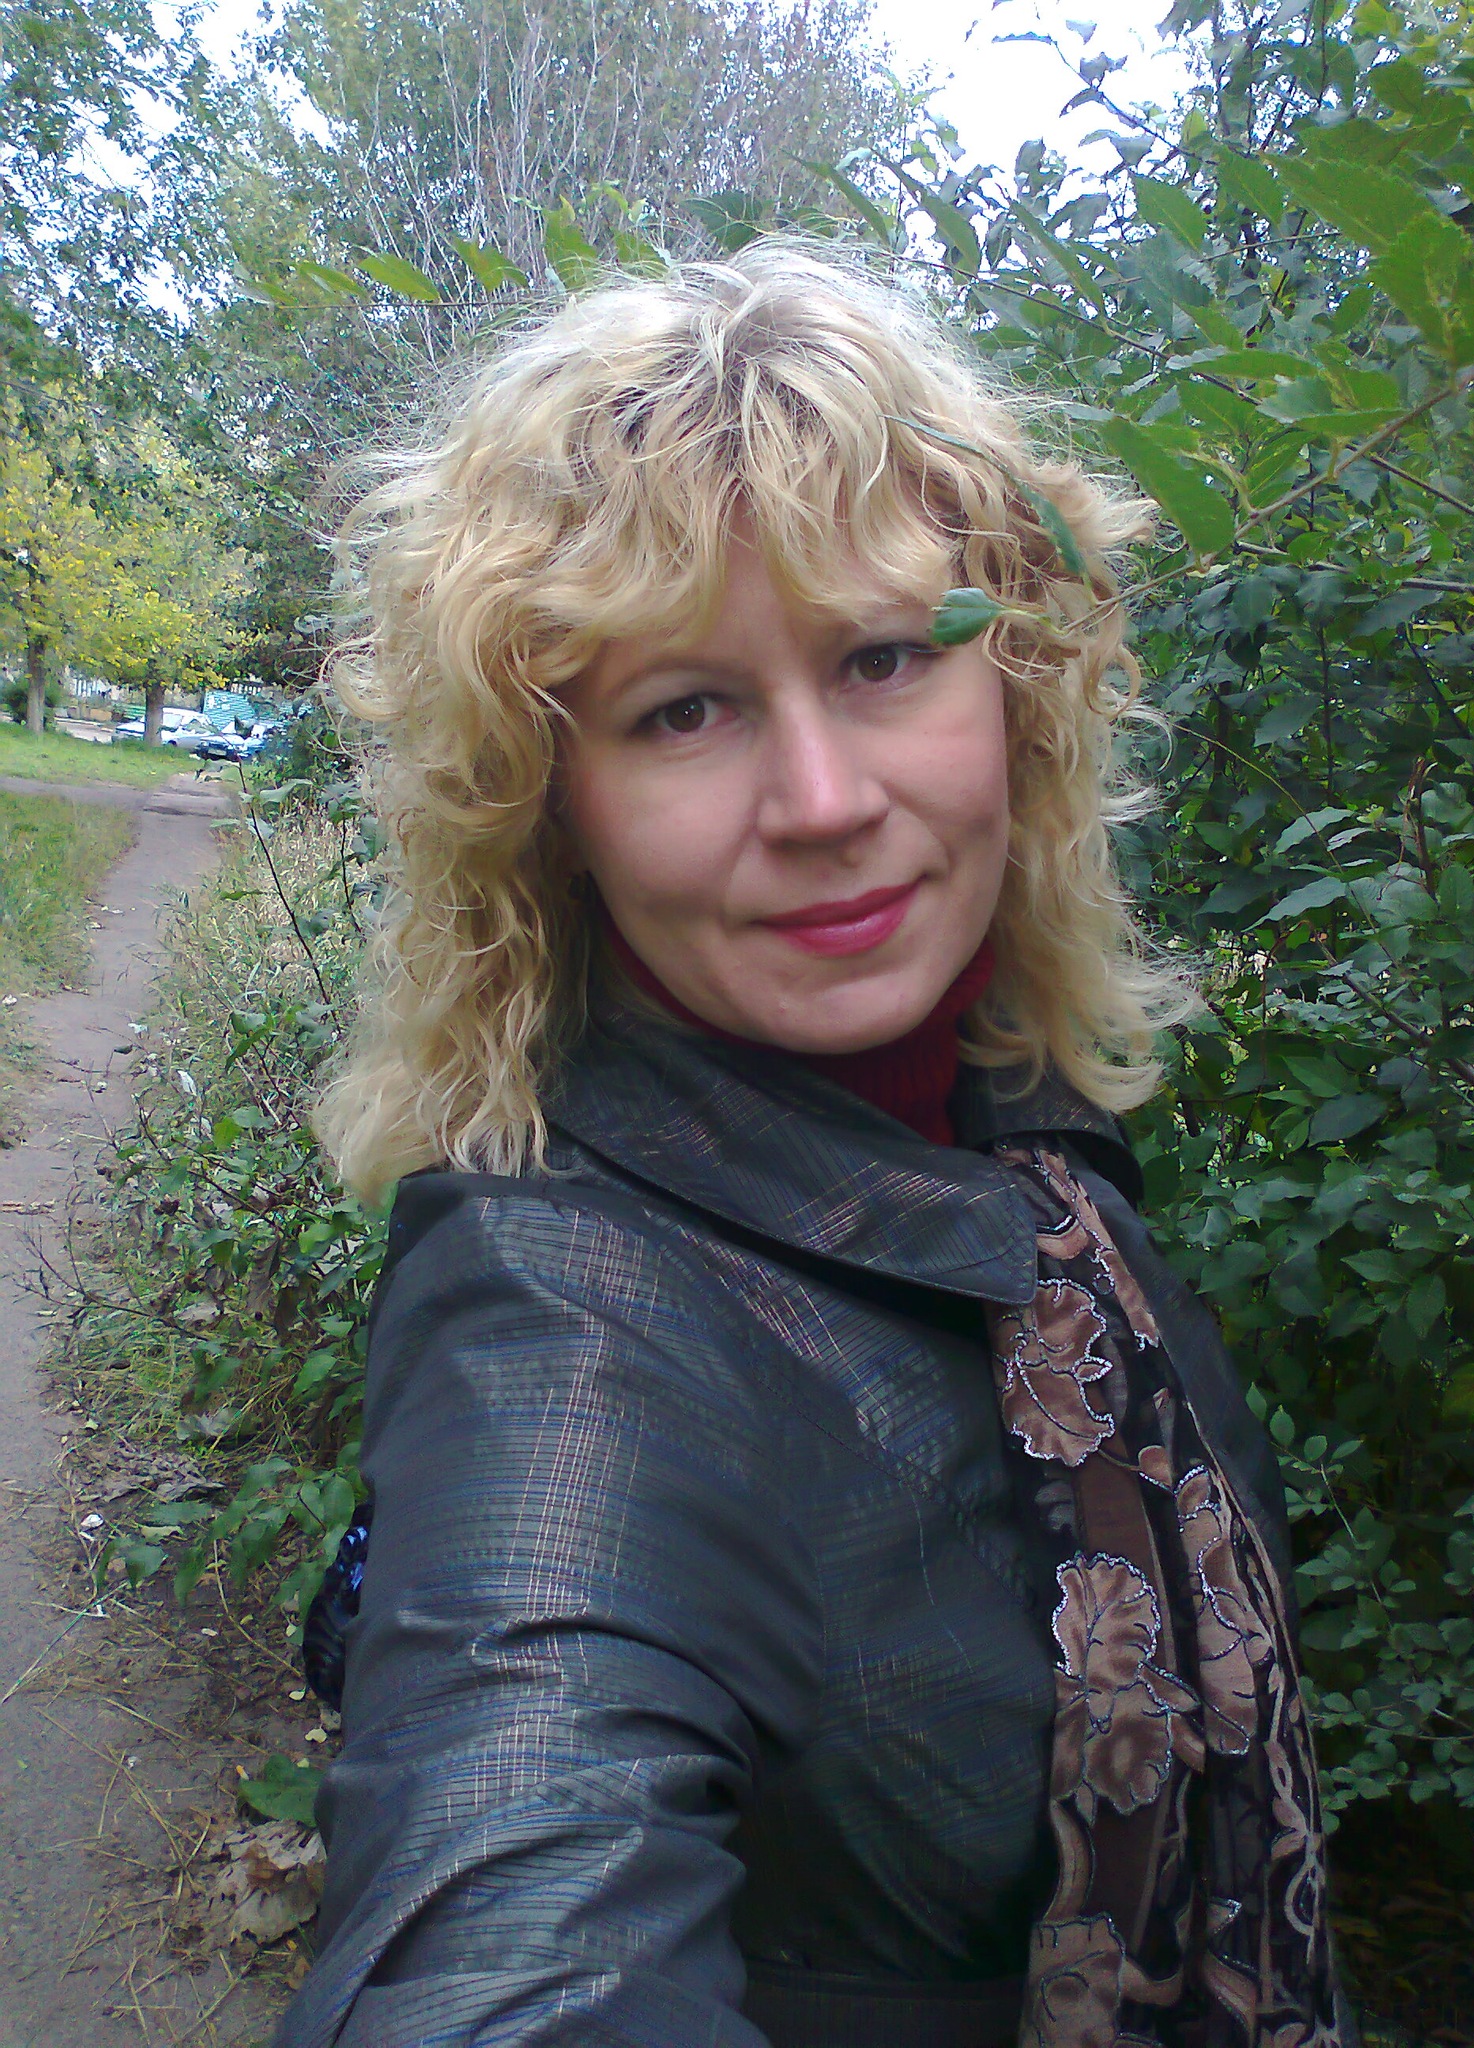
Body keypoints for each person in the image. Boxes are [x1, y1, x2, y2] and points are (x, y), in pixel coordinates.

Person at [276, 243, 1354, 2048]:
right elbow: (512, 1920)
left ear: (1015, 692)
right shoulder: (555, 1315)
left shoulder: (1020, 1134)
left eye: (881, 658)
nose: (827, 802)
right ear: (552, 804)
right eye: (682, 710)